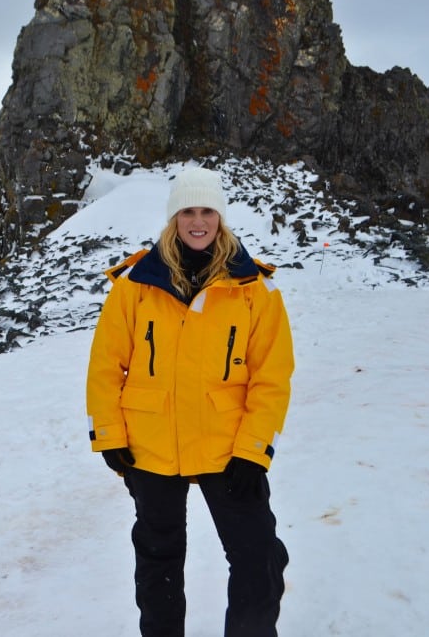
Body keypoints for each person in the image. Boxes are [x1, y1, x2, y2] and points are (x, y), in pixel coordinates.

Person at [85, 167, 294, 637]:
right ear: (173, 218)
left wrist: (254, 449)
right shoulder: (135, 284)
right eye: (187, 212)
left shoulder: (254, 288)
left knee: (258, 557)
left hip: (228, 447)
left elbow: (271, 376)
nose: (198, 221)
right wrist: (109, 435)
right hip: (151, 446)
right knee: (157, 563)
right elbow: (105, 365)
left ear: (220, 218)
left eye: (207, 211)